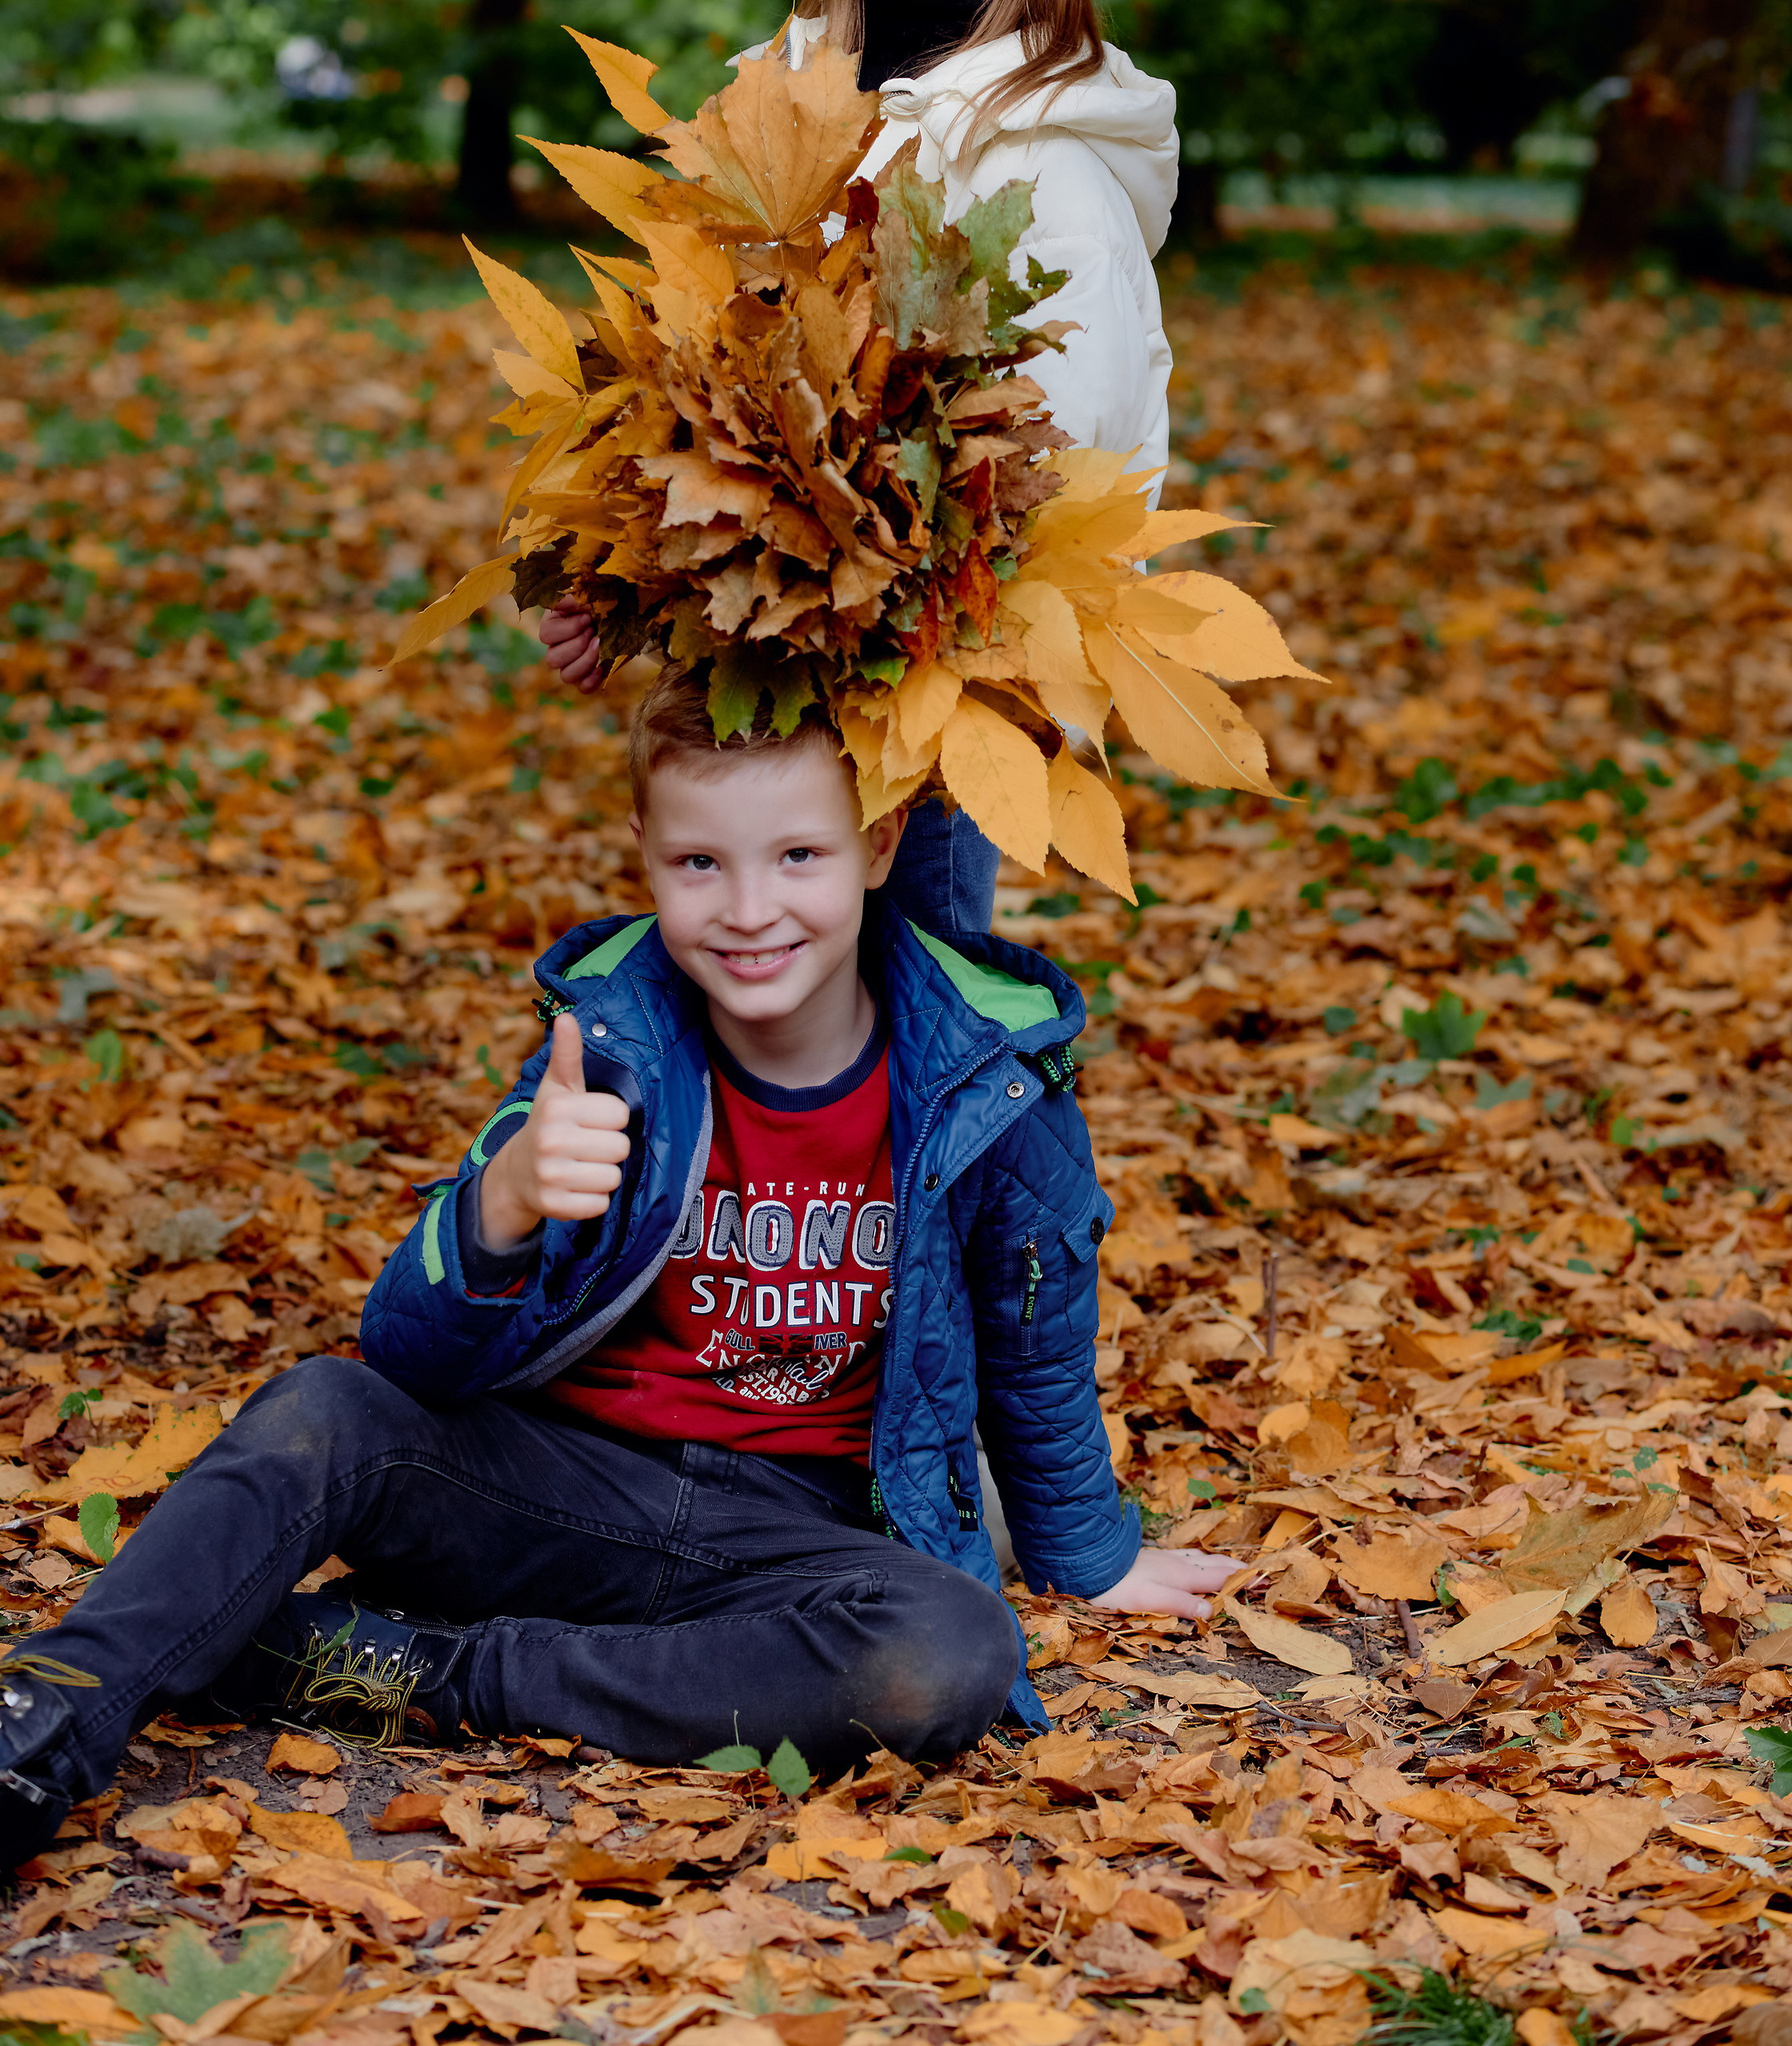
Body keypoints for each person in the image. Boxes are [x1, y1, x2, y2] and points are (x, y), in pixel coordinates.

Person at [0, 674, 1233, 1866]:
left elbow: (1035, 1330)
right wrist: (504, 1202)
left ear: (877, 842)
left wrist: (1089, 1553)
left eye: (798, 856)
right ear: (644, 852)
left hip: (791, 1531)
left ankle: (420, 1671)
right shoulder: (609, 1045)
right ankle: (42, 1720)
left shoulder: (987, 1079)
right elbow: (406, 1355)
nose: (748, 909)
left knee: (945, 1651)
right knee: (325, 1411)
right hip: (560, 1489)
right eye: (700, 863)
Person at [540, 0, 1179, 946]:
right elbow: (703, 380)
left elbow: (1064, 490)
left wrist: (978, 683)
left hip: (922, 715)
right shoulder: (784, 108)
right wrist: (622, 583)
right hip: (759, 691)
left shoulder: (1047, 177)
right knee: (766, 1014)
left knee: (919, 1010)